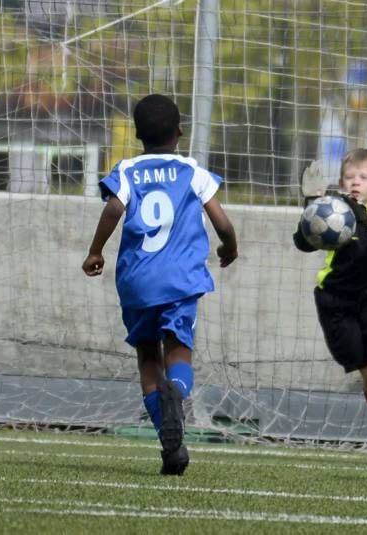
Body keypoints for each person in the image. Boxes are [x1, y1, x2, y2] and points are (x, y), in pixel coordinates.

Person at [82, 94, 238, 476]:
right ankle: (178, 394)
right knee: (179, 351)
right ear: (180, 132)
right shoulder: (192, 171)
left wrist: (95, 251)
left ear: (137, 134)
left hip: (138, 282)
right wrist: (229, 247)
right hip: (181, 281)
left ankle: (170, 443)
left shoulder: (128, 170)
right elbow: (221, 221)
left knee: (148, 358)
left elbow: (114, 208)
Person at [293, 148, 367, 456]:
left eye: (363, 177)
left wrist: (365, 217)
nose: (355, 182)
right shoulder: (332, 210)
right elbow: (302, 242)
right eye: (349, 177)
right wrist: (310, 207)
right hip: (334, 299)